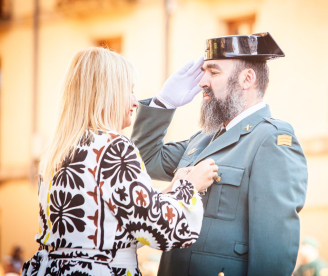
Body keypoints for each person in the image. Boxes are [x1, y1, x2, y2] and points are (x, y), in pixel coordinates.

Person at [22, 47, 218, 276]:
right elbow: (160, 231)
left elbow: (114, 222)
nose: (135, 102)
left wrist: (170, 190)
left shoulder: (57, 151)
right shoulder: (113, 146)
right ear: (108, 93)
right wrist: (189, 187)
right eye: (130, 91)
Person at [132, 32, 308, 275]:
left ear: (247, 79)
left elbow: (273, 247)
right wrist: (164, 103)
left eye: (213, 72)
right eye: (204, 72)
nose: (202, 82)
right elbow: (143, 161)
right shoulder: (202, 139)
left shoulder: (272, 139)